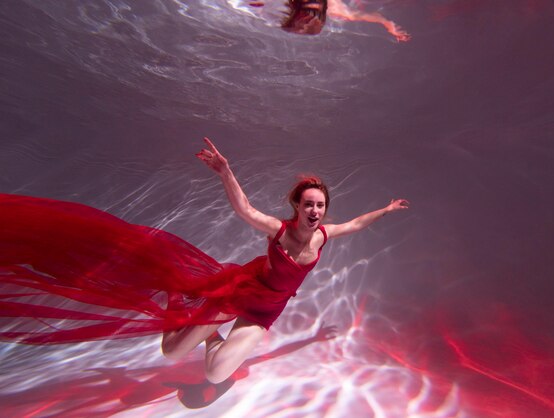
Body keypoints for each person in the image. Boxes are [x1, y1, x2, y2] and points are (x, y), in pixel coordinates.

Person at [0, 137, 408, 384]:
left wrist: (385, 211)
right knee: (172, 353)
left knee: (214, 373)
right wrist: (225, 171)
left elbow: (356, 223)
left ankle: (211, 336)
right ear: (296, 206)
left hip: (265, 312)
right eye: (309, 204)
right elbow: (245, 209)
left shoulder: (324, 234)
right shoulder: (280, 231)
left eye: (321, 205)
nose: (316, 211)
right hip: (240, 292)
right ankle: (184, 307)